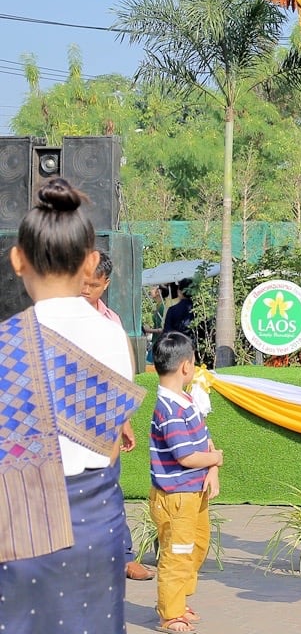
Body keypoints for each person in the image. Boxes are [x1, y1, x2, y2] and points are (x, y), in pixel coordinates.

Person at [0, 178, 142, 634]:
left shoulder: (7, 344)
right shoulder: (113, 335)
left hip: (18, 526)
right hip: (96, 525)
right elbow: (112, 445)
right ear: (91, 261)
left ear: (17, 259)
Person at [81, 252, 154, 581]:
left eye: (93, 285)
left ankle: (122, 556)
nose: (85, 290)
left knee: (108, 487)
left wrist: (124, 420)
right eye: (81, 282)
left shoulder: (112, 322)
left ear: (106, 284)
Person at [149, 331, 224, 633]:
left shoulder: (187, 399)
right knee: (177, 554)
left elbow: (204, 440)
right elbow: (186, 456)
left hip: (195, 492)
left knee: (197, 546)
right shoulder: (168, 409)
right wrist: (216, 459)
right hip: (176, 496)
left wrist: (213, 470)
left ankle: (177, 600)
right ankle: (170, 613)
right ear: (186, 366)